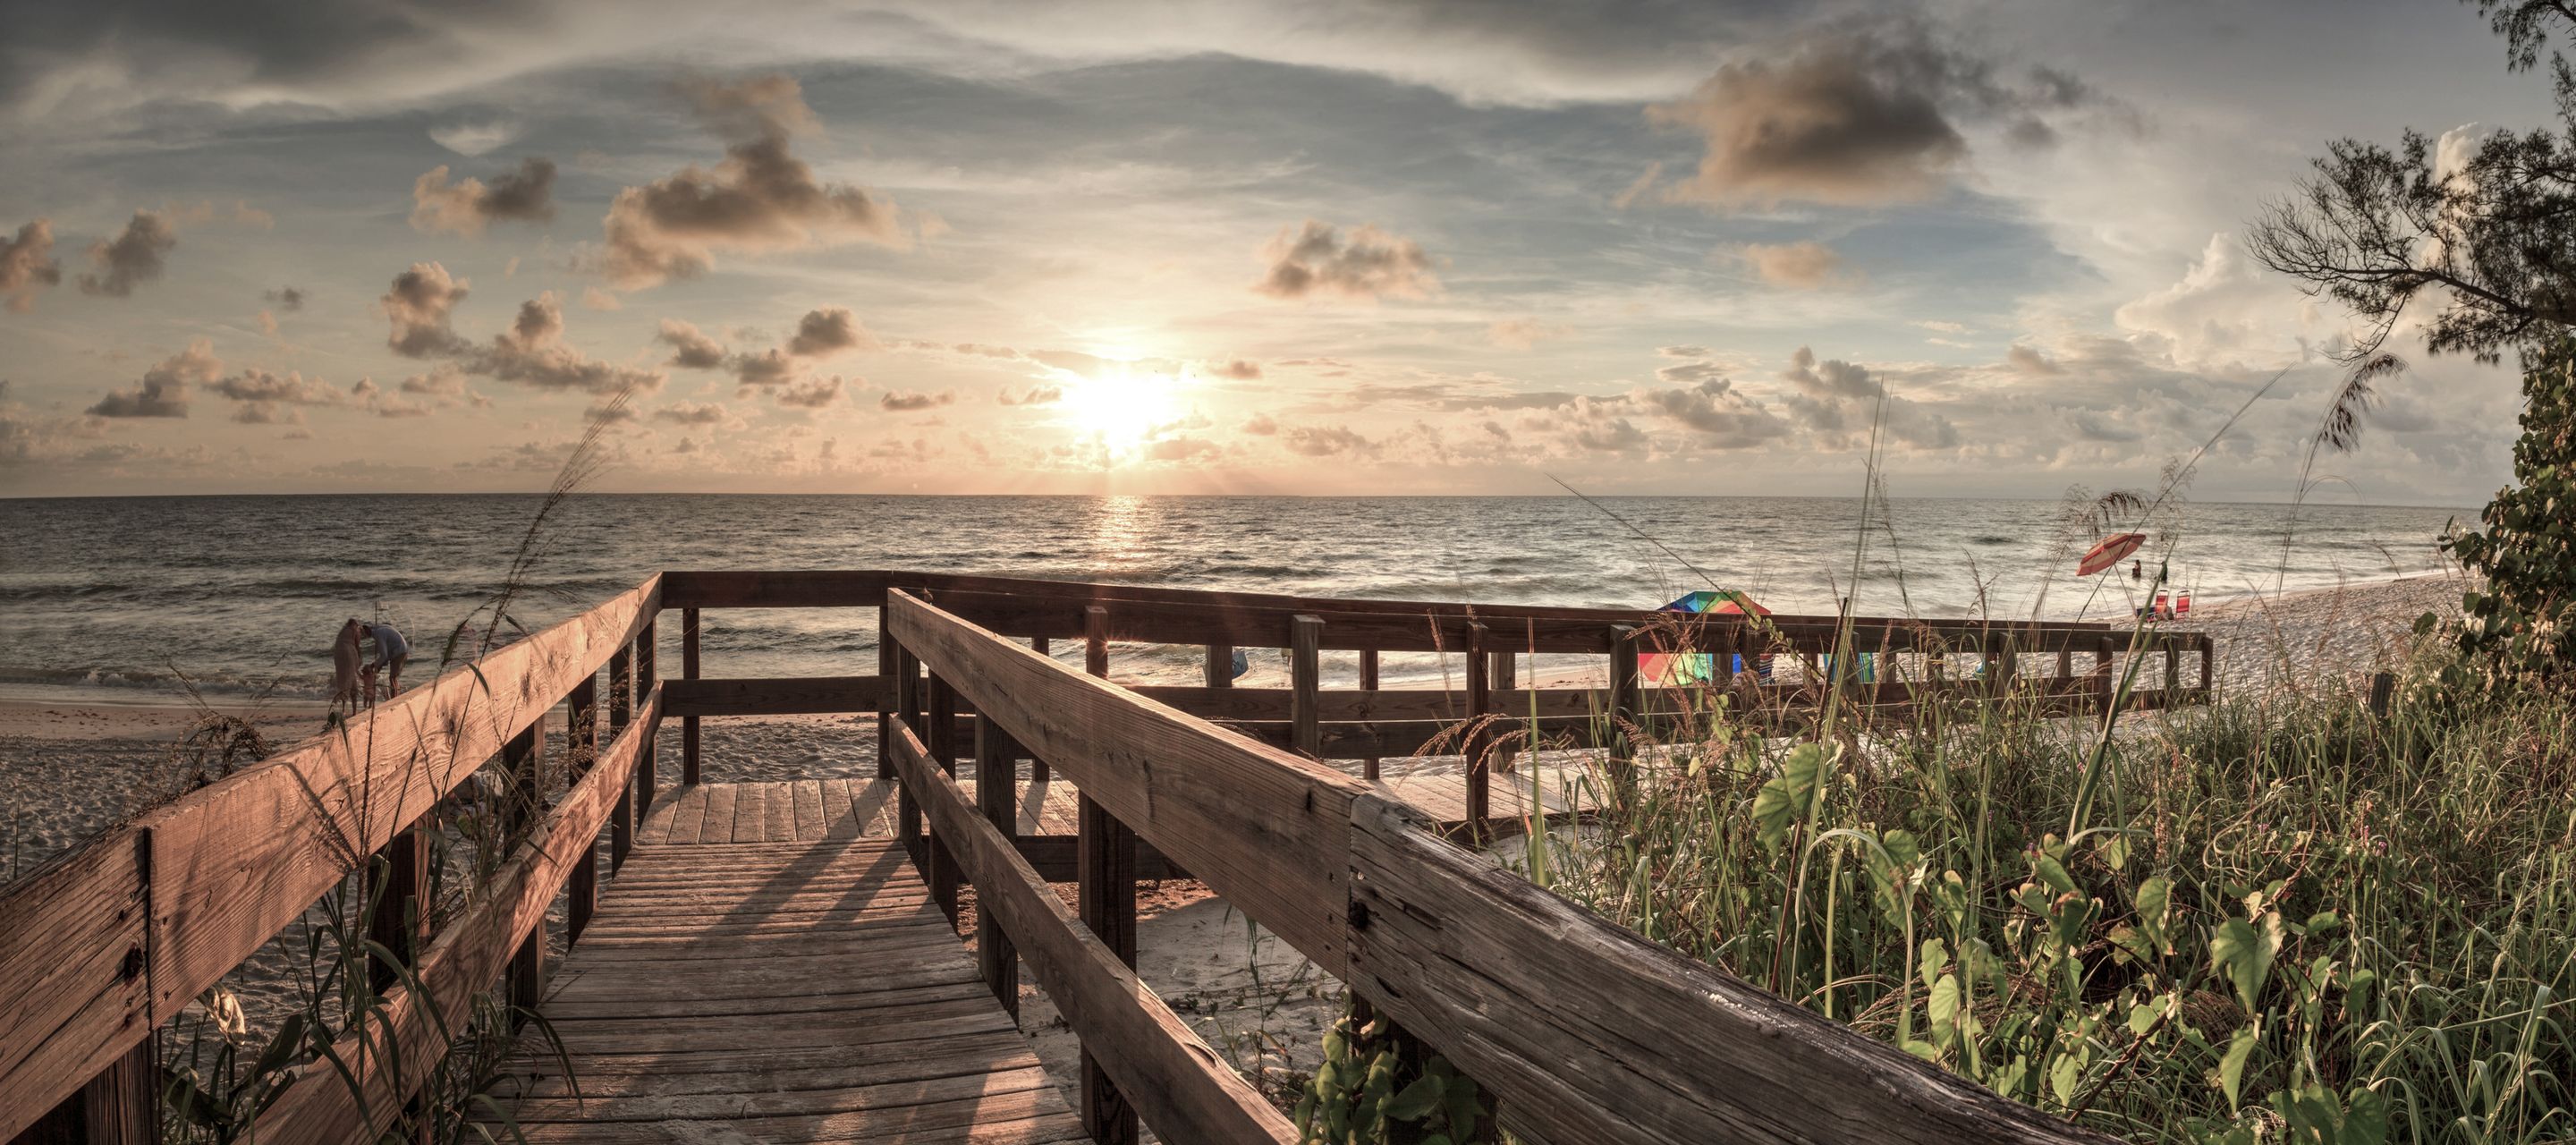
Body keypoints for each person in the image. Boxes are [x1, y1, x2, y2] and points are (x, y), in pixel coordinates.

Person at [362, 619, 411, 705]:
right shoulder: (380, 629)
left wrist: (373, 665)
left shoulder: (378, 635)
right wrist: (380, 665)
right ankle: (397, 698)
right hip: (403, 649)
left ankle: (394, 701)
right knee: (394, 677)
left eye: (364, 633)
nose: (364, 635)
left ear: (368, 630)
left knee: (392, 677)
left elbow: (384, 656)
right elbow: (386, 655)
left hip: (399, 651)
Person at [330, 618, 364, 715]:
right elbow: (357, 645)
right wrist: (359, 658)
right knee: (352, 681)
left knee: (343, 681)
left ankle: (343, 709)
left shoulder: (343, 631)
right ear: (355, 625)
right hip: (349, 654)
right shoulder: (356, 630)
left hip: (339, 655)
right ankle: (354, 711)